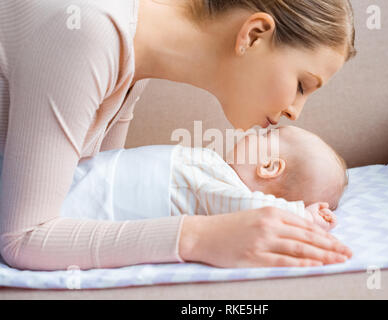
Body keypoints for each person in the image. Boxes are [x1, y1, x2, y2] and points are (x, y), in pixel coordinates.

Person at [0, 0, 356, 271]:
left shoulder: (135, 60)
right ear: (254, 34)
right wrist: (199, 237)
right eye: (301, 85)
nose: (296, 112)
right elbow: (23, 238)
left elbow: (95, 190)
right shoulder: (90, 31)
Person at [60, 125, 348, 234]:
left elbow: (255, 209)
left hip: (91, 198)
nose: (255, 132)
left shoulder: (227, 192)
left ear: (269, 167)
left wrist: (302, 216)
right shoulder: (218, 171)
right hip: (94, 173)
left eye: (265, 136)